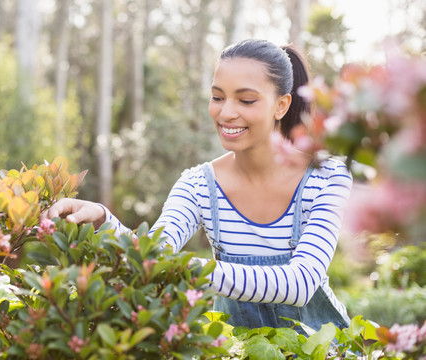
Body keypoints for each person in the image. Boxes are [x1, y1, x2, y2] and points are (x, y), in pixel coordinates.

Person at [44, 39, 352, 333]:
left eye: (245, 100)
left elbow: (299, 284)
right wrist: (102, 219)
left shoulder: (326, 177)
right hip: (239, 350)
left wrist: (186, 268)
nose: (226, 112)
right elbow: (153, 254)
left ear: (281, 105)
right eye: (218, 97)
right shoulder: (198, 185)